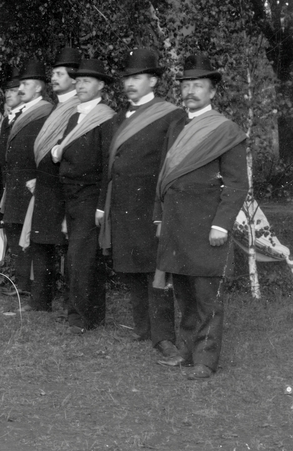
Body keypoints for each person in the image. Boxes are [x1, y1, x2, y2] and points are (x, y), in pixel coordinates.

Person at [154, 54, 249, 380]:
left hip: (208, 225)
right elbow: (163, 177)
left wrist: (221, 224)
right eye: (186, 85)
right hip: (176, 223)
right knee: (183, 293)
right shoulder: (176, 126)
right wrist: (159, 218)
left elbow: (237, 184)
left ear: (212, 92)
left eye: (198, 85)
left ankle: (205, 361)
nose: (191, 91)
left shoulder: (227, 131)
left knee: (207, 296)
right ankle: (185, 352)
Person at [96, 48, 187, 361]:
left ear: (153, 80)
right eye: (127, 78)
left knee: (155, 272)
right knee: (131, 268)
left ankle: (164, 336)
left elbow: (172, 164)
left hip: (151, 205)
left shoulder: (171, 116)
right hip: (122, 205)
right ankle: (142, 326)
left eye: (137, 77)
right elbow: (108, 167)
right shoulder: (118, 118)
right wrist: (102, 205)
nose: (130, 83)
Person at [52, 57, 117, 332]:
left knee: (82, 256)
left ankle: (80, 317)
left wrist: (102, 205)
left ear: (100, 85)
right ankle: (87, 313)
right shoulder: (74, 116)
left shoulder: (105, 119)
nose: (80, 86)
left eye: (86, 81)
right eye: (77, 81)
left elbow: (108, 165)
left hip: (90, 195)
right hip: (71, 194)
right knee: (78, 254)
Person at [28, 47, 82, 313]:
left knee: (69, 247)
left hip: (65, 185)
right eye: (53, 73)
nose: (53, 78)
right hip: (46, 184)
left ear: (74, 78)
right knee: (41, 243)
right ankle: (41, 302)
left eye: (60, 74)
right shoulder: (57, 107)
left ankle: (71, 305)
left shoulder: (77, 108)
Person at [0, 63, 53, 304]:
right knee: (14, 230)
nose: (18, 90)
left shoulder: (45, 112)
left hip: (29, 183)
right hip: (13, 183)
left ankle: (31, 286)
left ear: (38, 87)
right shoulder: (16, 115)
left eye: (24, 84)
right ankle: (22, 284)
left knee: (27, 234)